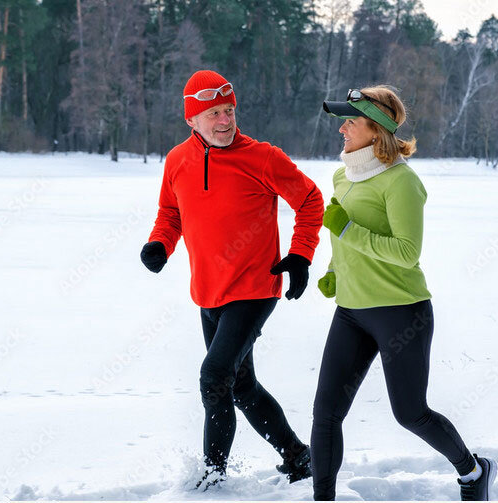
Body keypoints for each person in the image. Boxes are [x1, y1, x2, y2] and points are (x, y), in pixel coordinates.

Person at [140, 70, 324, 489]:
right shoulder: (177, 161)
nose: (225, 120)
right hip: (208, 290)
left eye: (229, 110)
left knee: (213, 378)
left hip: (255, 287)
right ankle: (298, 457)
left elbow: (310, 200)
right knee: (241, 387)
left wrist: (300, 255)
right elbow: (171, 213)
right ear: (192, 120)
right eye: (213, 114)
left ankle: (211, 479)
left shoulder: (262, 157)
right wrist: (160, 244)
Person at [311, 85, 496, 501]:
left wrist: (345, 231)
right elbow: (347, 239)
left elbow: (407, 253)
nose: (343, 128)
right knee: (326, 414)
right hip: (351, 312)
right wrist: (334, 269)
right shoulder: (343, 174)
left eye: (352, 121)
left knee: (410, 413)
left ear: (376, 131)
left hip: (401, 312)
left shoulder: (401, 183)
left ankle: (473, 471)